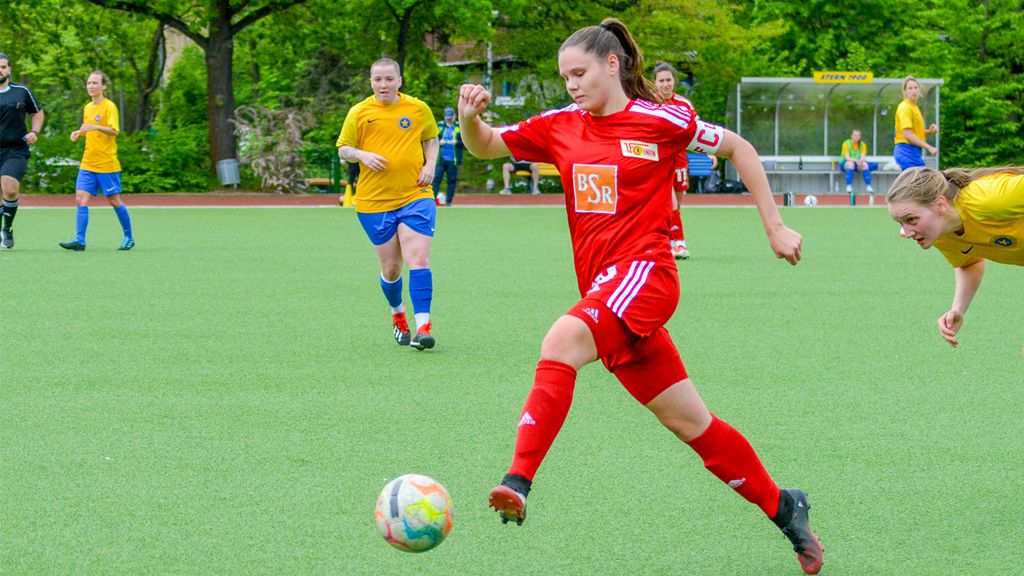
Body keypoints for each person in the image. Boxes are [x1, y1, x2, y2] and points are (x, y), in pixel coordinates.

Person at [458, 18, 822, 575]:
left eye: (579, 72)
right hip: (607, 294)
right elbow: (486, 146)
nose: (571, 85)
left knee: (560, 339)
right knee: (691, 424)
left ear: (612, 65)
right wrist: (469, 116)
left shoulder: (663, 119)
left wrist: (774, 227)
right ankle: (784, 506)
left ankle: (518, 480)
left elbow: (740, 149)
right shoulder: (560, 125)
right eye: (564, 77)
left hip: (646, 276)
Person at [337, 58, 440, 350]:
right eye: (378, 79)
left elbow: (431, 138)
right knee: (392, 268)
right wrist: (362, 155)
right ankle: (398, 315)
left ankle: (424, 327)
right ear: (371, 82)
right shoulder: (359, 113)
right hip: (374, 201)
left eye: (389, 79)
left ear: (399, 80)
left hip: (415, 195)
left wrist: (430, 163)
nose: (384, 85)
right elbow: (344, 150)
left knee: (418, 257)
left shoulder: (418, 109)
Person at [887, 166, 1024, 347]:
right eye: (901, 223)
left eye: (911, 219)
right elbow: (969, 263)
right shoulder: (942, 236)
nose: (905, 232)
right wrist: (958, 308)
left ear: (940, 205)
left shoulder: (987, 199)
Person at [59, 70, 134, 252]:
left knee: (114, 201)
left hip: (107, 164)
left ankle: (128, 237)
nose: (91, 86)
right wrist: (80, 132)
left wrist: (94, 126)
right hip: (88, 162)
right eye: (89, 83)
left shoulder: (109, 107)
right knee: (80, 198)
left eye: (95, 83)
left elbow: (114, 131)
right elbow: (89, 128)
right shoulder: (87, 107)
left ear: (103, 86)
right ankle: (80, 240)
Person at [653, 62, 717, 260]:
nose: (665, 84)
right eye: (661, 81)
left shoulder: (684, 104)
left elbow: (697, 130)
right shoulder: (648, 103)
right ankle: (678, 243)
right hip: (657, 161)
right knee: (668, 203)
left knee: (676, 207)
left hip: (679, 160)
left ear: (674, 81)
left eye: (668, 80)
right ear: (654, 83)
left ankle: (670, 242)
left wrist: (710, 151)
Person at [0, 52, 45, 250]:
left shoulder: (21, 91)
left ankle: (7, 229)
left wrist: (34, 131)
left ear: (9, 69)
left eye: (3, 67)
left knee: (9, 188)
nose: (0, 70)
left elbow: (38, 112)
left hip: (15, 149)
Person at [893, 76, 938, 171]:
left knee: (919, 181)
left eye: (915, 88)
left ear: (919, 90)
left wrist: (929, 131)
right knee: (920, 181)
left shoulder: (914, 107)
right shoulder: (905, 107)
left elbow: (915, 133)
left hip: (913, 151)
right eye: (910, 88)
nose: (913, 90)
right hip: (905, 150)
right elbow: (907, 134)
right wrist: (929, 147)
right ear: (905, 91)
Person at [432, 107, 463, 206]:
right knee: (436, 179)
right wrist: (438, 142)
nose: (448, 120)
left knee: (452, 180)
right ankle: (432, 201)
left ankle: (449, 201)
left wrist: (457, 142)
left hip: (453, 159)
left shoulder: (459, 126)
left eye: (450, 118)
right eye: (447, 118)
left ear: (455, 116)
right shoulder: (439, 125)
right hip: (441, 159)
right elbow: (431, 139)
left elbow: (466, 142)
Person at [840, 129, 878, 196]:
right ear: (851, 136)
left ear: (860, 137)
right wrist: (856, 161)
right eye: (855, 135)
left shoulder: (862, 144)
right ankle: (849, 186)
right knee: (850, 164)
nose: (856, 137)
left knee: (865, 164)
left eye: (858, 135)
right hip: (845, 163)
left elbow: (863, 157)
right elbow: (847, 158)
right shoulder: (846, 143)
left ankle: (868, 186)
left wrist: (860, 162)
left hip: (857, 163)